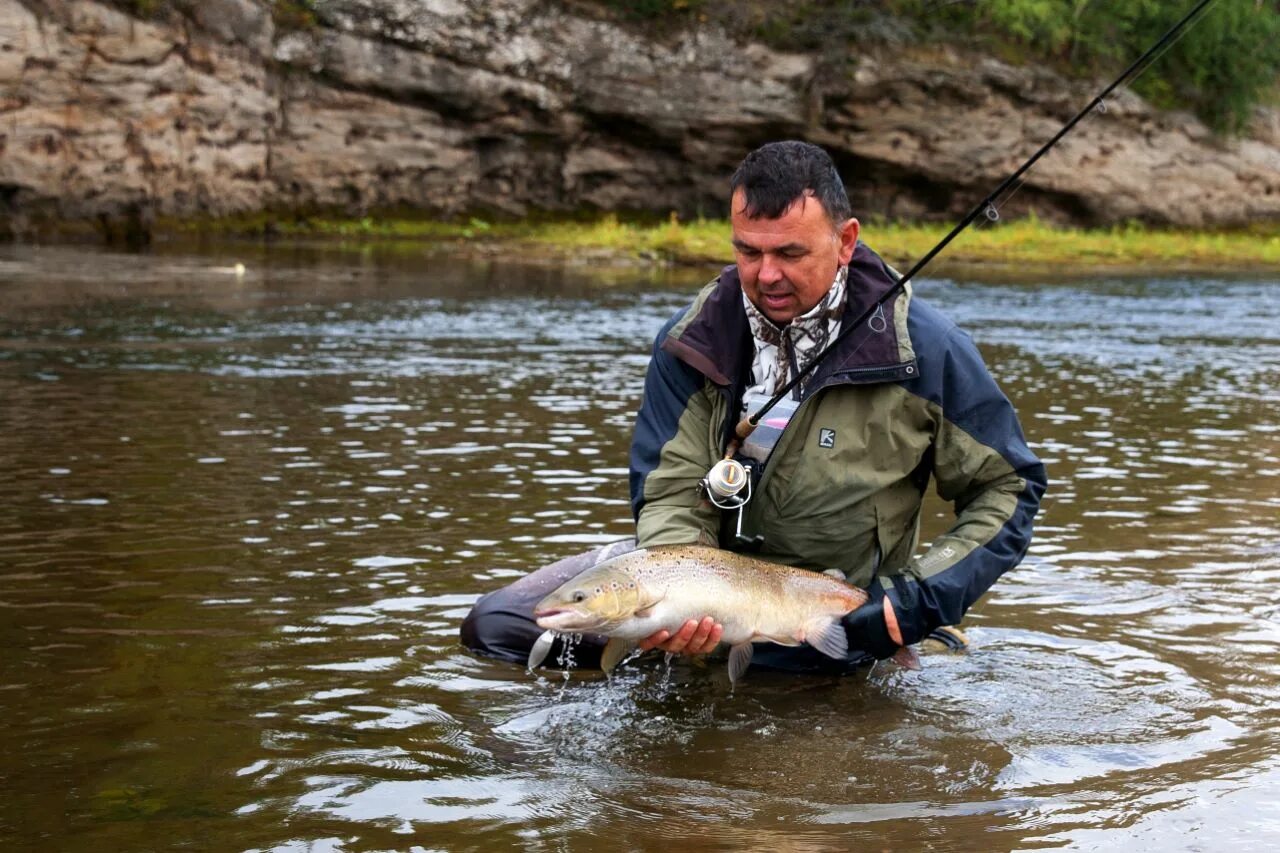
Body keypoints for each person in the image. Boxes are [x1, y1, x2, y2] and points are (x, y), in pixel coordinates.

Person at [461, 140, 1046, 673]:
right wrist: (671, 594)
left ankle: (901, 646)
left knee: (798, 692)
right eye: (748, 251)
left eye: (791, 253)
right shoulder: (693, 340)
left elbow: (1008, 486)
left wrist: (915, 601)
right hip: (702, 583)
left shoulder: (926, 350)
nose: (767, 276)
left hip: (832, 607)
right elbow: (668, 489)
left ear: (846, 242)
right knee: (498, 629)